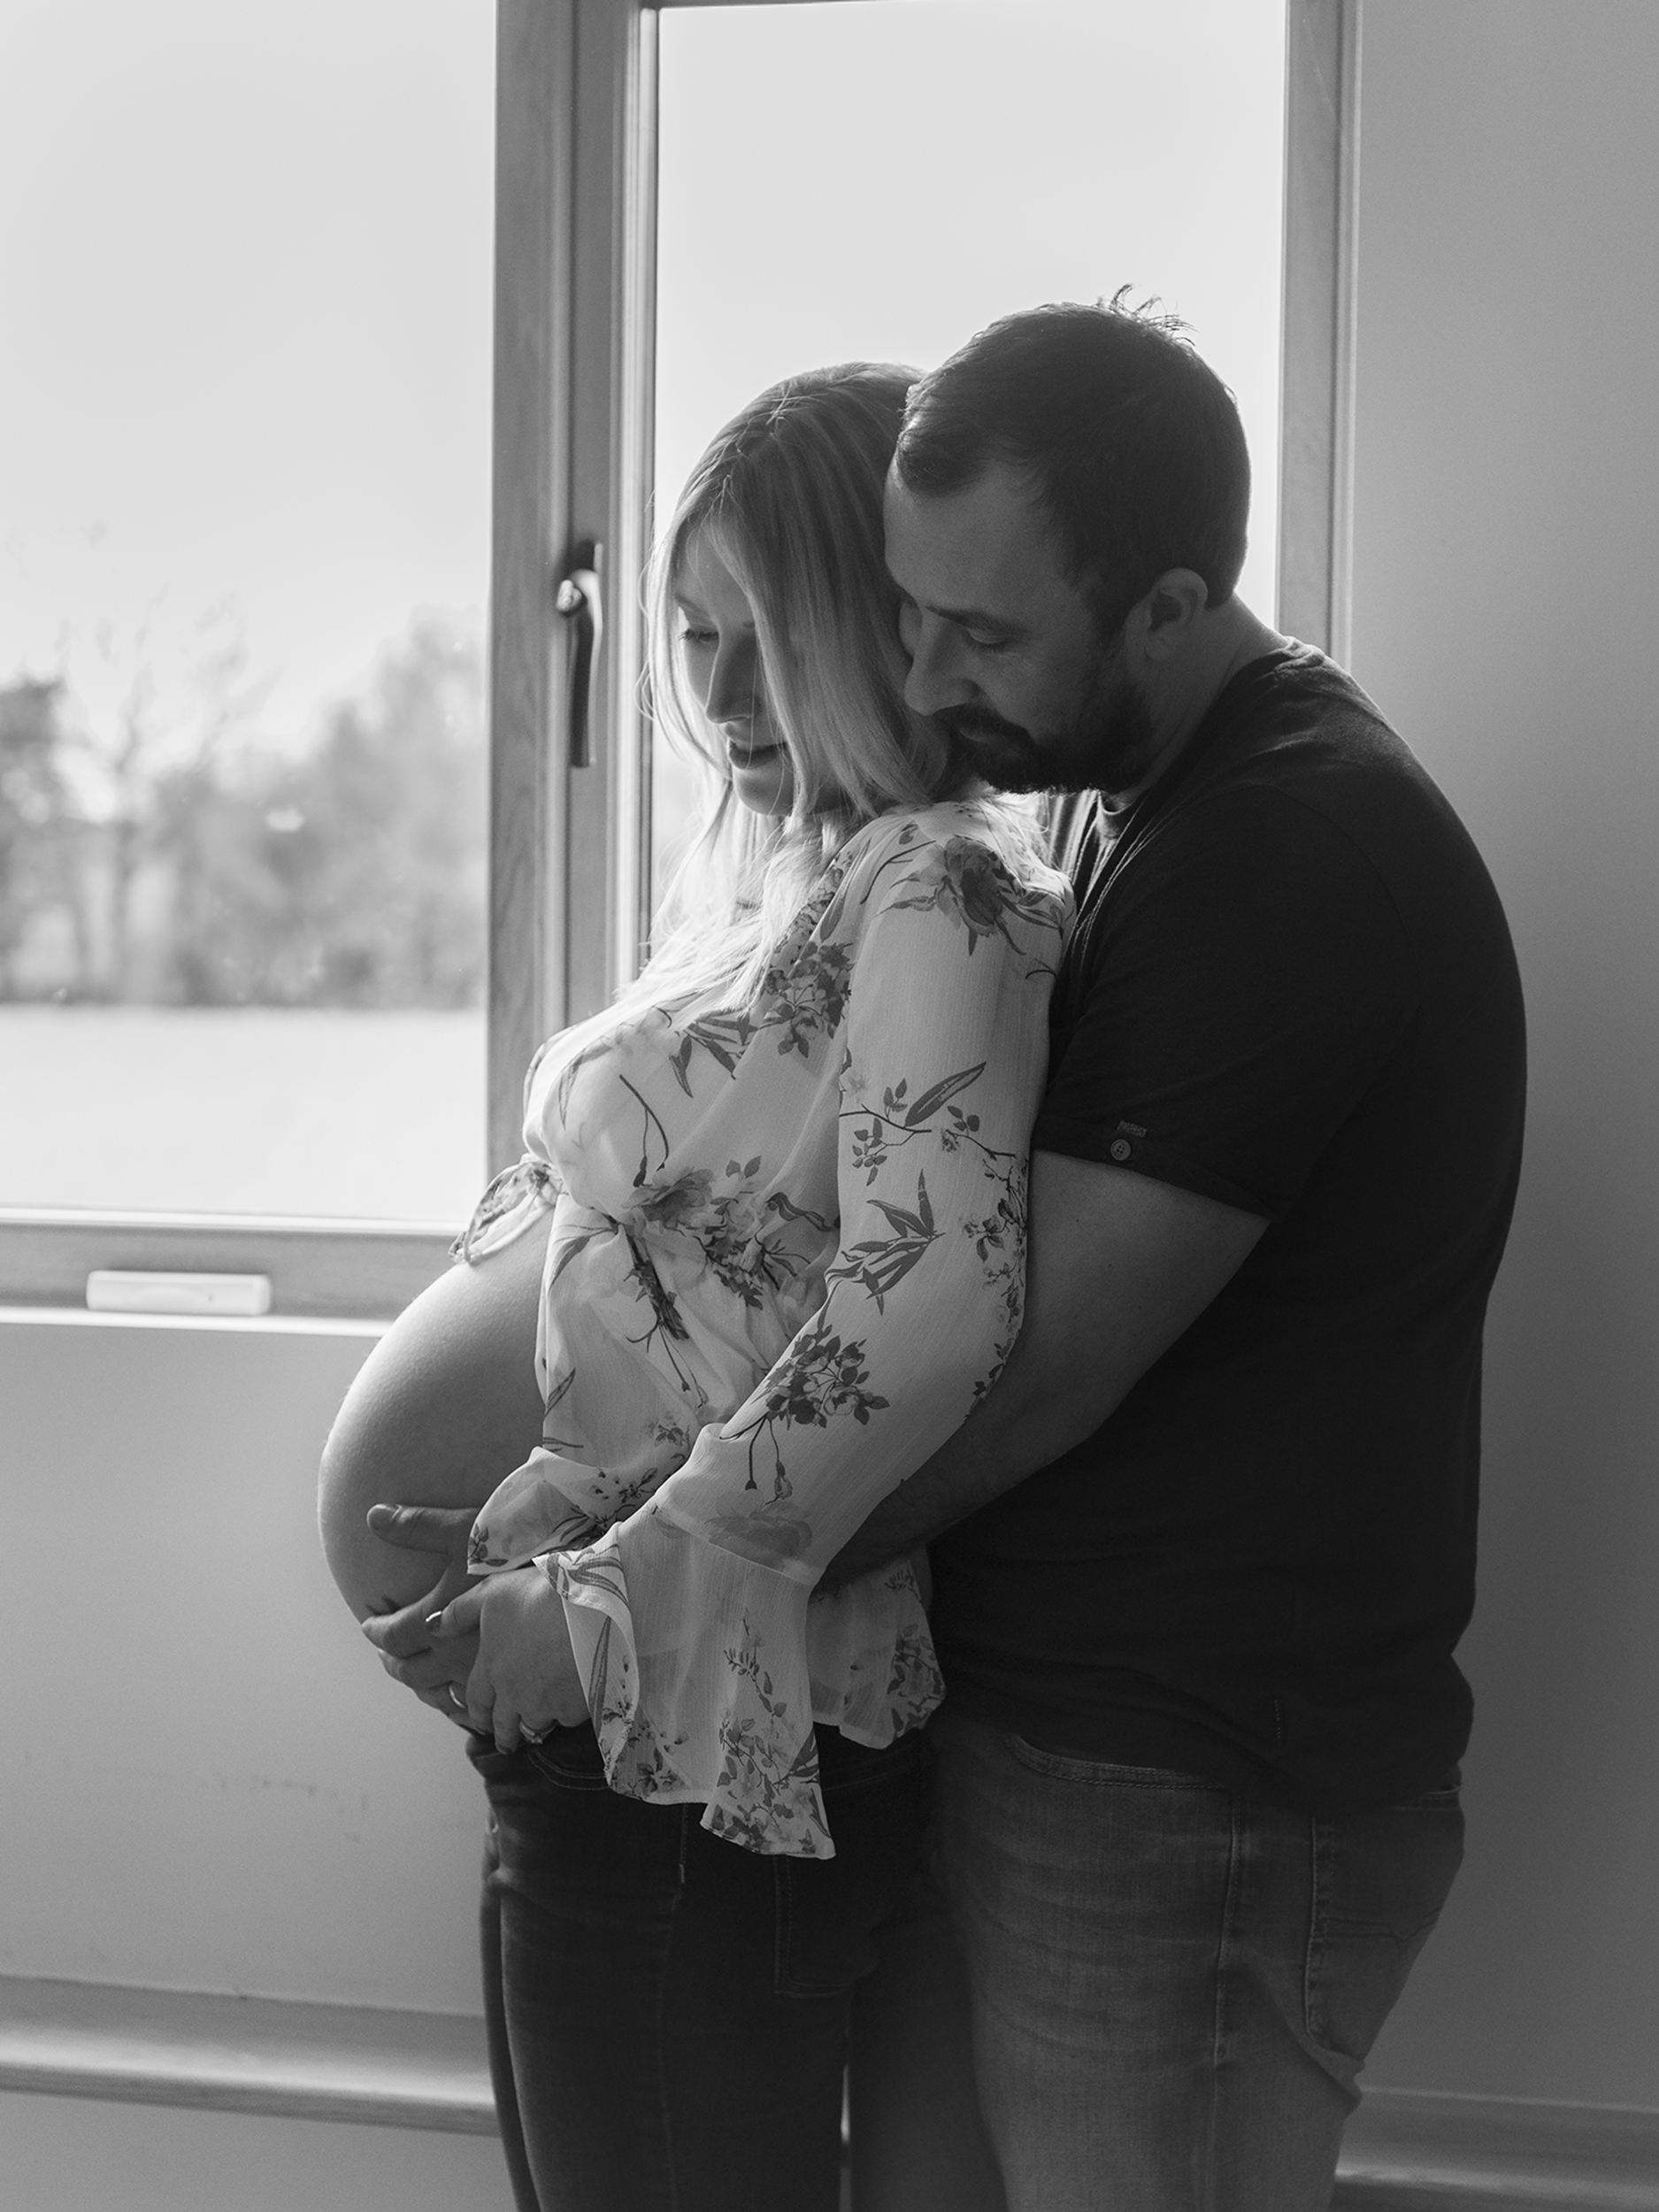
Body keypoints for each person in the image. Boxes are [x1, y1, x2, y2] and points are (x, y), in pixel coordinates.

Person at [319, 361, 1068, 2212]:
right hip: (610, 1726)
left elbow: (925, 1310)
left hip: (685, 1721)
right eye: (693, 637)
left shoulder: (937, 892)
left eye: (765, 634)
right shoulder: (780, 873)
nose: (721, 693)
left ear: (877, 626)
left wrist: (591, 1602)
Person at [810, 296, 1526, 2212]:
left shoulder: (1285, 849)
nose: (926, 673)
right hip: (1073, 1733)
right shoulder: (1136, 790)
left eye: (980, 634)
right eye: (904, 610)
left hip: (1186, 1778)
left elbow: (1044, 1352)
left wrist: (735, 1559)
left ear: (1170, 601)